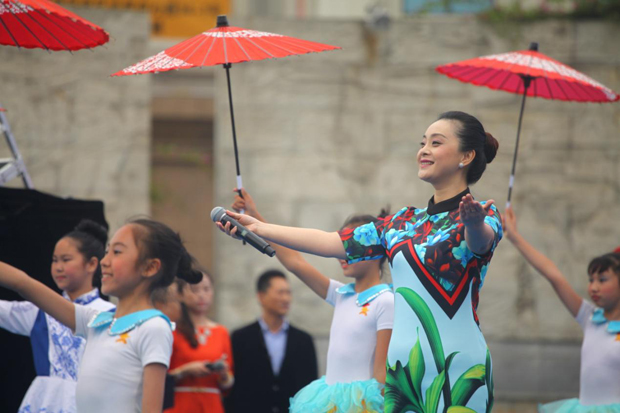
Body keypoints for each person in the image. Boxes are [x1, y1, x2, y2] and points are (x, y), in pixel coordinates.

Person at [218, 111, 502, 412]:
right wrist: (258, 227)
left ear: (466, 155)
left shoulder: (483, 213)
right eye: (422, 143)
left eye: (436, 142)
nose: (424, 150)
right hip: (404, 374)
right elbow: (330, 242)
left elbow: (480, 242)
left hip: (459, 368)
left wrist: (473, 224)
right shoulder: (400, 223)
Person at [0, 218, 202, 413]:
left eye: (117, 252)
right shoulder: (96, 321)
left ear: (150, 267)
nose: (105, 262)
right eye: (107, 252)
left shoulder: (153, 327)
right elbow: (23, 284)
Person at [232, 189, 394, 412]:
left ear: (375, 251)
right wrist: (254, 217)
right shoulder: (341, 294)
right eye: (340, 245)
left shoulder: (385, 301)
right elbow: (295, 262)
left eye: (348, 247)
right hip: (330, 402)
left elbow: (382, 375)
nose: (340, 254)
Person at [503, 207, 620, 412]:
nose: (593, 287)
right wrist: (514, 237)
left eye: (602, 280)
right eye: (591, 280)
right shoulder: (590, 317)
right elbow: (553, 274)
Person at [0, 219, 114, 413]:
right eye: (55, 260)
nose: (58, 267)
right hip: (45, 401)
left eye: (66, 259)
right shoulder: (37, 310)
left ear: (92, 264)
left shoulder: (109, 313)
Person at [224, 269, 318, 413]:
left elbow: (311, 388)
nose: (286, 299)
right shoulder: (240, 338)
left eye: (288, 293)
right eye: (280, 292)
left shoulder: (303, 340)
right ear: (261, 296)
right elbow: (234, 389)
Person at [165, 271, 234, 413]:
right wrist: (185, 370)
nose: (202, 295)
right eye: (195, 290)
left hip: (211, 404)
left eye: (206, 289)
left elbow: (228, 382)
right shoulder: (173, 330)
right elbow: (160, 376)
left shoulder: (221, 332)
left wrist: (223, 374)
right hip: (180, 403)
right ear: (181, 294)